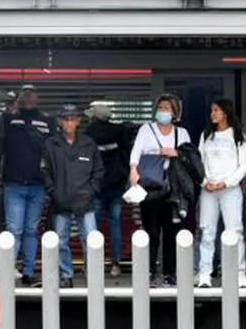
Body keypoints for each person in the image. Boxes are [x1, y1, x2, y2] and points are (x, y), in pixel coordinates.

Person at [130, 93, 191, 287]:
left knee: (171, 232)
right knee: (151, 231)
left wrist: (174, 152)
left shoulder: (181, 133)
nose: (163, 111)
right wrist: (133, 169)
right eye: (161, 108)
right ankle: (148, 271)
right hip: (151, 186)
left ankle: (169, 273)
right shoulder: (146, 129)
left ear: (175, 113)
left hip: (173, 188)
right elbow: (136, 152)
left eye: (167, 108)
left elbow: (189, 156)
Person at [41, 104, 104, 287]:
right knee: (61, 241)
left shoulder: (88, 144)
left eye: (73, 119)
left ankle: (93, 276)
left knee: (92, 241)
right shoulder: (51, 144)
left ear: (78, 121)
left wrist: (91, 191)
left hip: (86, 200)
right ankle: (66, 275)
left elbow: (98, 171)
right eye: (65, 119)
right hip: (61, 200)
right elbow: (44, 172)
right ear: (60, 122)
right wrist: (53, 192)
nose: (69, 122)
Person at [0, 84, 54, 286]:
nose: (29, 96)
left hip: (37, 185)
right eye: (25, 93)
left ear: (38, 97)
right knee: (14, 230)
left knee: (31, 230)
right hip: (14, 183)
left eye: (32, 92)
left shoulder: (47, 121)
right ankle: (8, 271)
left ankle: (29, 272)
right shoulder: (7, 119)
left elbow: (53, 153)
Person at [196, 98, 246, 288]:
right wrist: (205, 182)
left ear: (225, 112)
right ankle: (204, 274)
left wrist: (226, 183)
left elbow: (243, 165)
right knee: (207, 231)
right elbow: (199, 162)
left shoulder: (237, 134)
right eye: (212, 110)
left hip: (230, 190)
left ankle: (239, 274)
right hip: (208, 190)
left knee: (235, 231)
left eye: (216, 110)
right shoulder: (206, 134)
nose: (213, 114)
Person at [85, 101, 132, 277]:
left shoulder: (89, 133)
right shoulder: (119, 132)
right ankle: (116, 263)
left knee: (93, 226)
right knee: (115, 224)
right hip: (116, 185)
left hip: (96, 185)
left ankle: (94, 264)